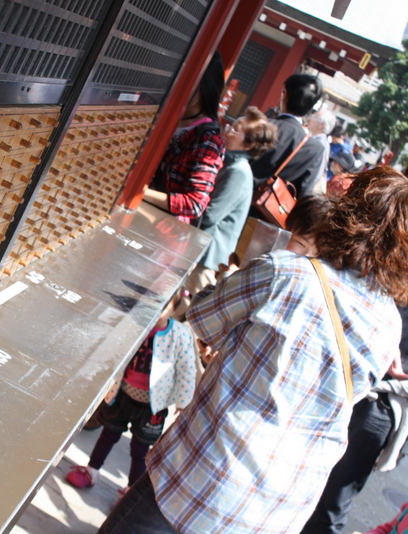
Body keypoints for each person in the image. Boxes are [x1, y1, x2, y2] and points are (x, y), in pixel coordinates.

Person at [99, 167, 408, 534]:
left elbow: (203, 320)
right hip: (280, 507)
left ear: (347, 215)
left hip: (203, 478)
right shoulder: (390, 323)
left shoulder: (286, 272)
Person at [66, 292, 199, 494]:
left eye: (164, 306)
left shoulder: (179, 335)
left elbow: (187, 369)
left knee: (140, 448)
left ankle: (131, 489)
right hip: (123, 394)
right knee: (108, 433)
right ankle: (91, 470)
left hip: (153, 406)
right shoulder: (135, 325)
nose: (156, 310)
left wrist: (183, 401)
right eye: (152, 304)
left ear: (174, 308)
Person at [184, 107, 277, 295]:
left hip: (207, 257)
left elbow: (210, 215)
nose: (227, 131)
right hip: (202, 250)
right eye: (230, 127)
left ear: (249, 145)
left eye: (235, 130)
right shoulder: (232, 165)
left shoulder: (238, 171)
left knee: (188, 305)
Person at [143, 52, 225, 224]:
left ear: (206, 86)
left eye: (190, 82)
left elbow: (194, 204)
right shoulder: (165, 114)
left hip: (158, 227)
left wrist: (139, 191)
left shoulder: (207, 139)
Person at [251, 74, 325, 198]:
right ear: (312, 106)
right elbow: (304, 193)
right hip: (269, 208)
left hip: (234, 195)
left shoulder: (259, 125)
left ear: (284, 95)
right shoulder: (314, 148)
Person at [305, 109, 337, 194]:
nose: (310, 118)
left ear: (322, 124)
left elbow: (316, 174)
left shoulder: (320, 143)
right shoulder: (320, 141)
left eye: (314, 116)